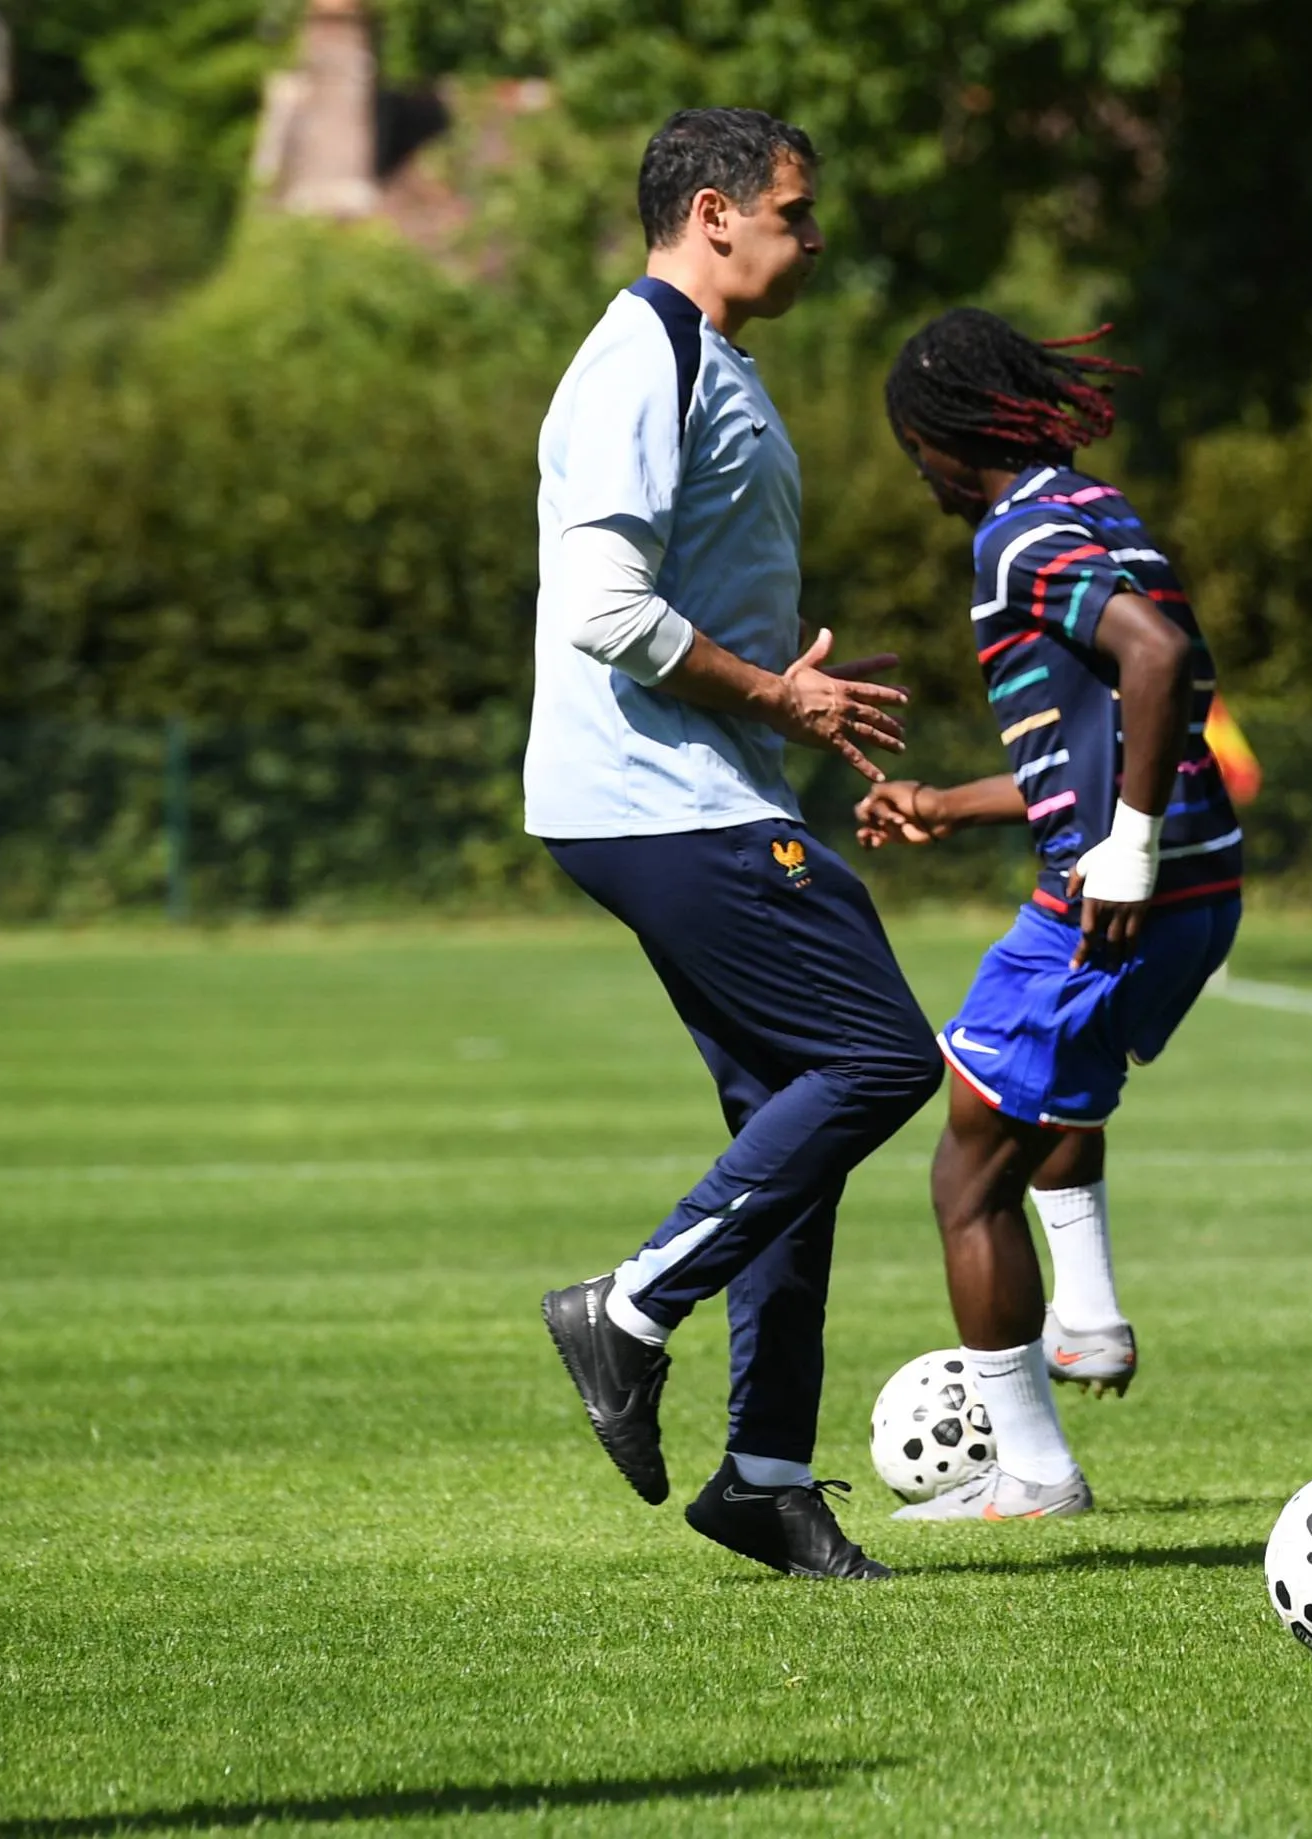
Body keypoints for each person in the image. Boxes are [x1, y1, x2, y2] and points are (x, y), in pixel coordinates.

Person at [526, 108, 944, 1580]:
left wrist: (787, 701)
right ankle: (629, 1307)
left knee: (792, 1115)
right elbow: (602, 605)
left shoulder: (707, 361)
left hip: (699, 784)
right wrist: (772, 689)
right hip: (659, 798)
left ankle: (763, 1473)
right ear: (712, 213)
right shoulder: (644, 353)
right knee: (884, 1057)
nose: (813, 236)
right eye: (794, 210)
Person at [852, 308, 1245, 1521]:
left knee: (967, 1167)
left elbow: (1157, 659)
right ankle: (1087, 1319)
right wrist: (955, 805)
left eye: (910, 447)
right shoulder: (1097, 508)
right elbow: (1110, 719)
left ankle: (1030, 1470)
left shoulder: (1015, 536)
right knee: (1038, 1095)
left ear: (939, 435)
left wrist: (1118, 852)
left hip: (1122, 890)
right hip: (1197, 878)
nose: (914, 472)